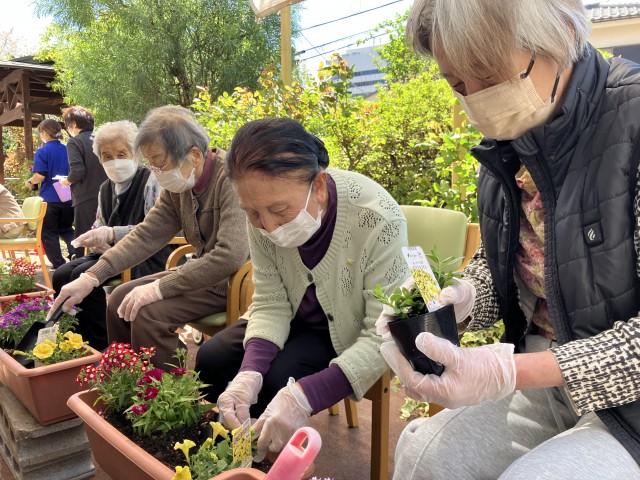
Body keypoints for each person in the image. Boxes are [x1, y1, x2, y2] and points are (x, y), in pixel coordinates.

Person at [376, 1, 640, 478]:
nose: (476, 99)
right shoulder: (507, 150)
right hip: (544, 375)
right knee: (425, 454)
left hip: (631, 400)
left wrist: (509, 372)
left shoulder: (633, 123)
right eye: (458, 84)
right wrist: (459, 299)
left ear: (559, 34)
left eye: (488, 73)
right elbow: (508, 267)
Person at [195, 118, 409, 462]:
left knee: (277, 381)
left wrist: (304, 396)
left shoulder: (377, 218)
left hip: (348, 331)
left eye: (279, 210)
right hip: (291, 315)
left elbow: (384, 334)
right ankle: (229, 455)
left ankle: (256, 464)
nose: (268, 227)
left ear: (319, 186)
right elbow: (271, 301)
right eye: (253, 214)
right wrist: (249, 371)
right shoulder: (261, 211)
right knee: (212, 358)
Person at [51, 105, 249, 369]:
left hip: (236, 281)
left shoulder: (231, 178)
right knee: (119, 300)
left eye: (159, 163)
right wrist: (92, 277)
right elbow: (147, 234)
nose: (155, 171)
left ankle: (164, 389)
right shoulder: (180, 183)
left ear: (194, 155)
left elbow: (230, 256)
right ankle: (127, 378)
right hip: (202, 274)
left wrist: (158, 289)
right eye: (151, 164)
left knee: (147, 314)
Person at [52, 120, 170, 351]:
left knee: (80, 274)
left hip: (146, 254)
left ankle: (101, 343)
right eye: (107, 156)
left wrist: (112, 234)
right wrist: (95, 237)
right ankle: (77, 339)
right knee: (61, 274)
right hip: (112, 253)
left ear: (135, 154)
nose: (114, 160)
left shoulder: (151, 181)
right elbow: (100, 224)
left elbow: (157, 229)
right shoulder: (105, 187)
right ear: (100, 159)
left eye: (121, 153)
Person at [26, 119, 75, 268]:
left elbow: (40, 175)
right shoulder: (68, 149)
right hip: (68, 197)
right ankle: (76, 254)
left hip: (49, 198)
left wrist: (30, 182)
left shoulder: (42, 151)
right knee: (67, 229)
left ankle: (59, 265)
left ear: (44, 132)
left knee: (48, 233)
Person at [61, 106, 108, 256]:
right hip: (109, 194)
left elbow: (78, 172)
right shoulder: (103, 140)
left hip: (86, 196)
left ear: (74, 124)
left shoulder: (74, 142)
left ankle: (82, 267)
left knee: (84, 238)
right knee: (106, 236)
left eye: (67, 125)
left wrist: (66, 181)